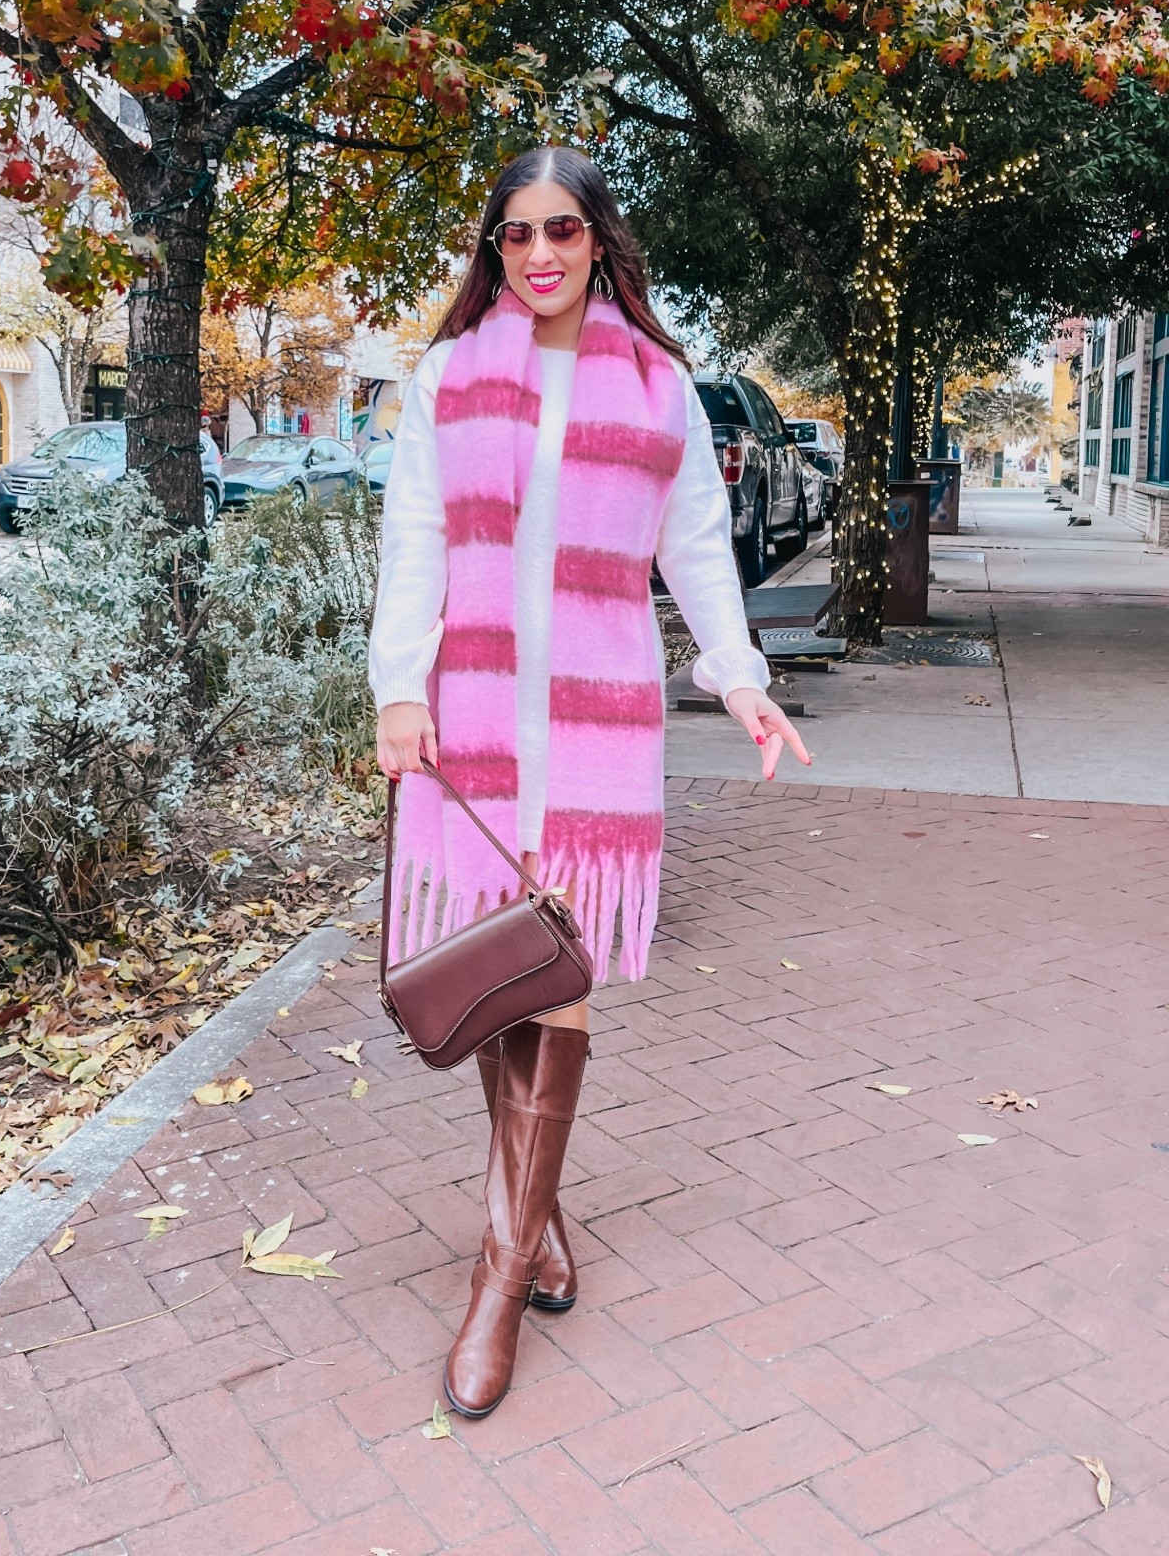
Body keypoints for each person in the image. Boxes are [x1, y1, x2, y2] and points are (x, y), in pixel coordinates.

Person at [370, 145, 810, 1418]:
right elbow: (414, 539)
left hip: (602, 728)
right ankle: (537, 1224)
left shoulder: (660, 385)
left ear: (601, 239)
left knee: (549, 976)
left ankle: (497, 1276)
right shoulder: (447, 375)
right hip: (472, 723)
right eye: (515, 234)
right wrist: (400, 687)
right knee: (503, 974)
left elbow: (695, 552)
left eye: (562, 228)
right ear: (492, 248)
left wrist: (738, 678)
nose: (540, 253)